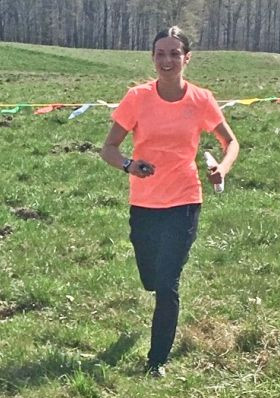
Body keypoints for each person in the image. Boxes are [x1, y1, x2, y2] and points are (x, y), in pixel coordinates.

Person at [100, 26, 239, 378]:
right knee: (150, 277)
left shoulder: (201, 100)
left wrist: (222, 168)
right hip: (145, 203)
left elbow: (230, 143)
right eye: (161, 53)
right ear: (153, 58)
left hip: (185, 200)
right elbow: (109, 148)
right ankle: (155, 294)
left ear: (186, 58)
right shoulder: (137, 98)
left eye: (174, 54)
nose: (167, 60)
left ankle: (157, 361)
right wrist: (131, 165)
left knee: (167, 284)